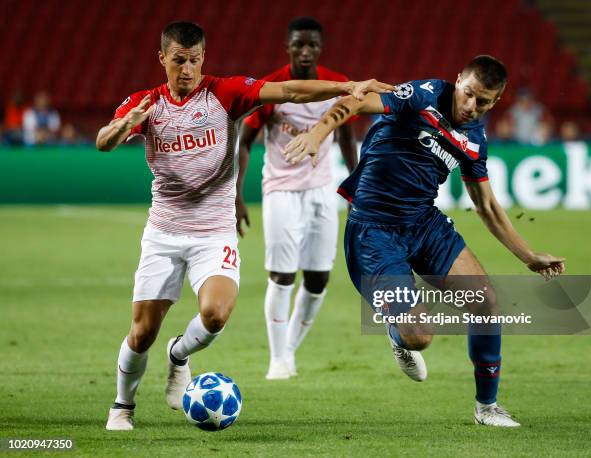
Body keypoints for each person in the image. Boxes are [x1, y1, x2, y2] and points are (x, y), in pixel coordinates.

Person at [96, 21, 392, 431]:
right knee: (142, 332)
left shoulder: (225, 93)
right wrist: (118, 129)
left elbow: (289, 91)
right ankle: (122, 406)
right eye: (178, 60)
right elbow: (104, 141)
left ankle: (179, 356)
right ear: (162, 59)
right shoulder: (145, 103)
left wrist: (346, 87)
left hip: (214, 231)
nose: (187, 69)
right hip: (164, 232)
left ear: (204, 59)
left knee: (216, 314)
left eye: (195, 60)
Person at [285, 55, 565, 427]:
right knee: (419, 336)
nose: (471, 106)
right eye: (468, 94)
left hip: (424, 224)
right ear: (459, 79)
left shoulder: (475, 139)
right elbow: (356, 100)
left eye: (483, 102)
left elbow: (486, 206)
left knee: (486, 303)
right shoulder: (422, 95)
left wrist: (528, 256)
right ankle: (398, 332)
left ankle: (487, 408)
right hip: (374, 231)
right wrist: (317, 134)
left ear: (496, 102)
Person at [237, 17, 357, 380]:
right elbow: (243, 142)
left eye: (312, 45)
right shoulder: (272, 88)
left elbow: (347, 137)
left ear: (320, 49)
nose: (305, 51)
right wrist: (236, 195)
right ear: (287, 47)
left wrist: (356, 185)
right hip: (280, 190)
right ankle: (277, 358)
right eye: (299, 45)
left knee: (319, 278)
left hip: (322, 190)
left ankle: (289, 351)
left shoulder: (337, 85)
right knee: (283, 276)